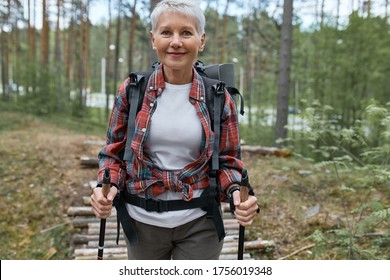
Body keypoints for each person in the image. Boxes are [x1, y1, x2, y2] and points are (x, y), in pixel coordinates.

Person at [91, 0, 259, 260]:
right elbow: (113, 154)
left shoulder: (218, 97)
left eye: (186, 33)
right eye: (167, 32)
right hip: (141, 223)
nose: (176, 41)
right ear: (153, 39)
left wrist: (238, 194)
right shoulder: (133, 90)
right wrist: (107, 185)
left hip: (200, 223)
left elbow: (229, 162)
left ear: (201, 41)